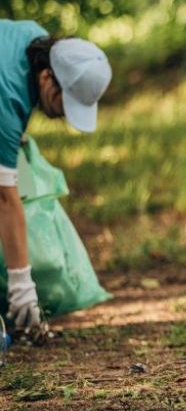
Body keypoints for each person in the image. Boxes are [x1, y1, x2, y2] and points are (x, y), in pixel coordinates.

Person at [0, 21, 112, 339]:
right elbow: (5, 200)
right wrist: (22, 286)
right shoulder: (6, 102)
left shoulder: (34, 39)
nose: (64, 113)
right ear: (47, 77)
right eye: (65, 102)